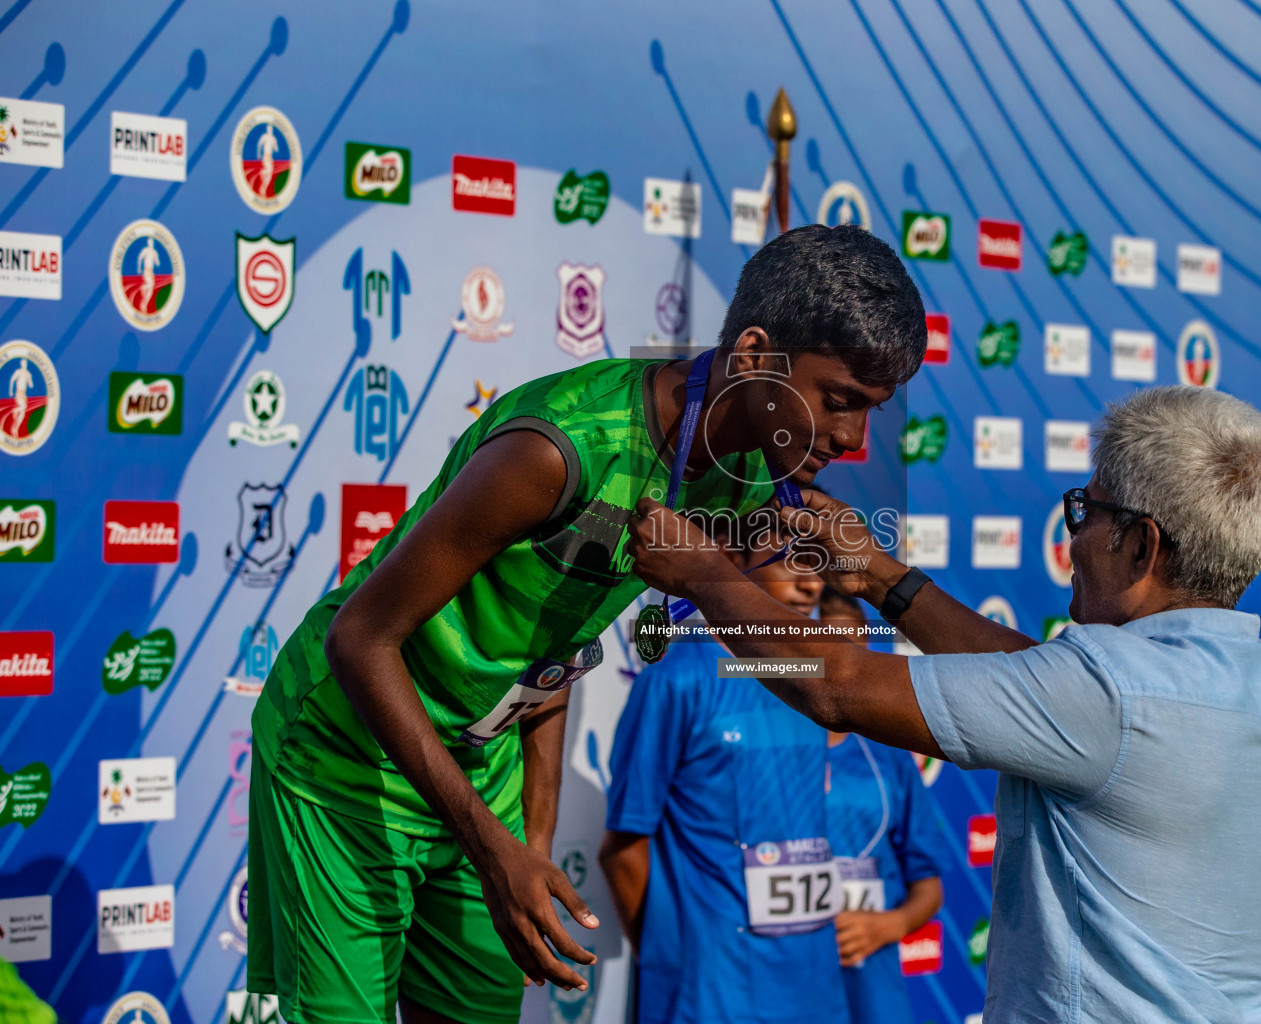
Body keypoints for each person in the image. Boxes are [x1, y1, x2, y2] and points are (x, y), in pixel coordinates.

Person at [246, 224, 927, 1024]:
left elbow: (555, 638)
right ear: (751, 355)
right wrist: (494, 848)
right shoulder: (559, 448)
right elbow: (360, 638)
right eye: (838, 401)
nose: (852, 439)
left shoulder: (750, 481)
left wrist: (530, 838)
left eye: (871, 410)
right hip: (346, 754)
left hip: (476, 765)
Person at [625, 385, 1261, 1024]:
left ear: (1140, 543)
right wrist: (879, 575)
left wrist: (704, 574)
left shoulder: (1107, 694)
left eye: (1085, 511)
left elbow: (834, 685)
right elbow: (1035, 679)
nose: (1071, 539)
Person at [600, 518, 847, 1024]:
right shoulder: (677, 678)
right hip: (709, 992)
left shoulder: (814, 678)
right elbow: (623, 850)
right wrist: (676, 960)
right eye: (789, 560)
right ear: (730, 564)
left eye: (816, 562)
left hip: (814, 984)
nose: (811, 582)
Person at [818, 590, 950, 1024]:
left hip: (872, 994)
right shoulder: (763, 745)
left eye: (856, 652)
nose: (843, 667)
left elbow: (928, 889)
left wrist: (885, 927)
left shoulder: (890, 755)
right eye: (828, 648)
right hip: (782, 982)